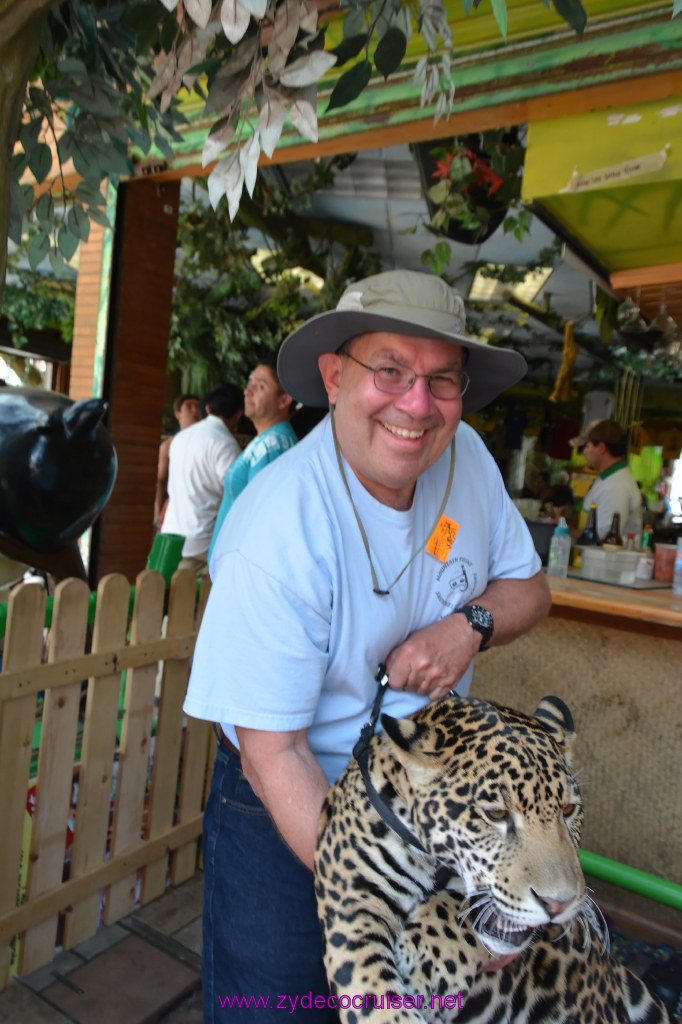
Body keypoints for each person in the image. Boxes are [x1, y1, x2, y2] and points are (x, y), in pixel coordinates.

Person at [183, 270, 551, 1022]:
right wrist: (398, 907)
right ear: (334, 376)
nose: (416, 405)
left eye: (441, 380)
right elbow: (272, 753)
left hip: (429, 795)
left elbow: (530, 589)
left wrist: (466, 627)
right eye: (390, 371)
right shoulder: (278, 530)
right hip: (287, 795)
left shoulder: (469, 460)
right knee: (282, 1009)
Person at [208, 354, 297, 562]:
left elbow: (260, 521)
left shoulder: (272, 445)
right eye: (250, 383)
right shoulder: (267, 441)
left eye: (260, 386)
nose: (248, 390)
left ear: (284, 400)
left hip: (239, 573)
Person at [160, 382, 243, 575]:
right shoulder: (226, 445)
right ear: (239, 414)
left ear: (207, 408)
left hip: (169, 538)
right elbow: (237, 497)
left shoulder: (180, 438)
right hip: (200, 547)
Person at [570, 418, 643, 541]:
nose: (584, 452)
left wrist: (565, 530)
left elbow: (601, 538)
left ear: (601, 448)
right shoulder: (607, 478)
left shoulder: (615, 487)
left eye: (587, 446)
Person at [153, 393, 201, 529]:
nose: (194, 410)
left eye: (197, 406)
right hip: (174, 507)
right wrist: (157, 511)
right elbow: (161, 480)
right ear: (177, 414)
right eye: (189, 406)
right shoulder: (168, 445)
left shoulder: (206, 442)